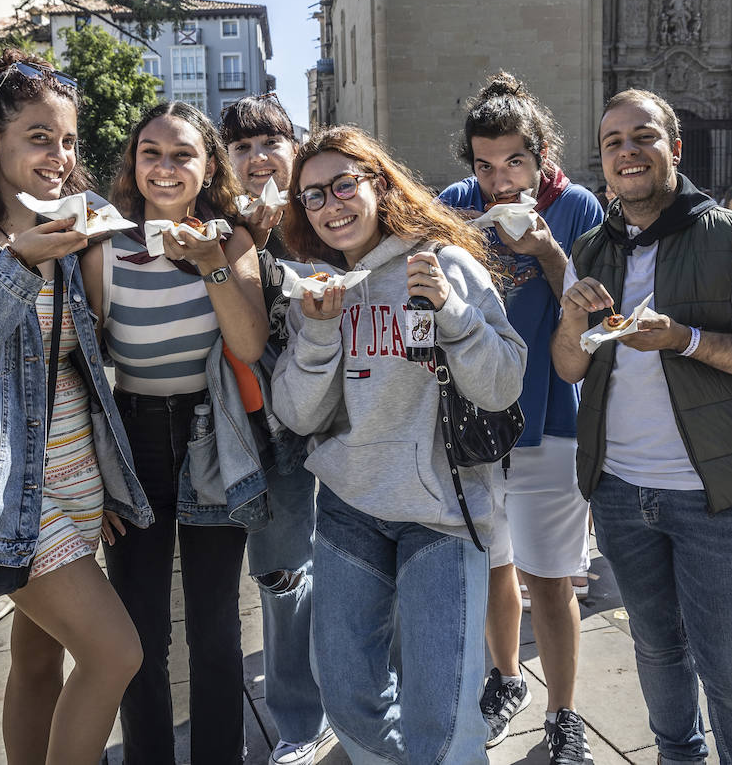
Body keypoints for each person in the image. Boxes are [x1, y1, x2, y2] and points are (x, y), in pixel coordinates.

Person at [0, 51, 152, 764]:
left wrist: (99, 474)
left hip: (77, 470)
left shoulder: (77, 223)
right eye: (39, 136)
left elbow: (88, 352)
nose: (58, 154)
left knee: (40, 659)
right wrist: (14, 266)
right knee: (115, 655)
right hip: (1, 483)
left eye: (68, 139)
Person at [272, 125, 527, 765]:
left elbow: (501, 385)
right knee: (347, 695)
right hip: (349, 506)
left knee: (440, 716)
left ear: (377, 185)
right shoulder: (316, 288)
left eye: (343, 185)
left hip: (440, 513)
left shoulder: (440, 263)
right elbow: (299, 414)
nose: (330, 206)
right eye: (312, 197)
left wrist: (453, 314)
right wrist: (320, 333)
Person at [552, 88, 732, 765]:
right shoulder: (590, 248)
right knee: (655, 647)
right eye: (613, 142)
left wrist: (684, 339)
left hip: (716, 494)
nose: (628, 151)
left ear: (674, 150)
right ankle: (677, 755)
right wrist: (572, 323)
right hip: (621, 490)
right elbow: (570, 369)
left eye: (643, 137)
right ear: (602, 160)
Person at [80, 100, 268, 764]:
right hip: (132, 443)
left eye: (182, 153)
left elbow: (248, 344)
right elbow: (85, 365)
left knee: (215, 627)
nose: (164, 166)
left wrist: (214, 260)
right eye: (151, 152)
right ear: (134, 163)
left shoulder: (232, 238)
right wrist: (90, 474)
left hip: (211, 437)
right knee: (139, 633)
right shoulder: (103, 245)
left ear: (208, 164)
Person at [438, 73, 602, 764]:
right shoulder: (455, 204)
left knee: (551, 576)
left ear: (540, 156)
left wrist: (547, 254)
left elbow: (600, 309)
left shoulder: (576, 208)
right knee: (493, 564)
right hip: (473, 424)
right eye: (484, 164)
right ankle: (506, 680)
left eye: (514, 162)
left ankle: (565, 714)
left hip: (550, 419)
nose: (499, 180)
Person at [220, 94, 334, 765]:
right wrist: (244, 241)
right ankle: (299, 717)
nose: (259, 157)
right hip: (273, 432)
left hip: (355, 423)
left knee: (370, 566)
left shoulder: (330, 211)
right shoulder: (221, 227)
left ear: (296, 147)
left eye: (271, 142)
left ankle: (377, 695)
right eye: (242, 147)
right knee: (283, 575)